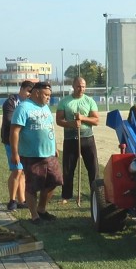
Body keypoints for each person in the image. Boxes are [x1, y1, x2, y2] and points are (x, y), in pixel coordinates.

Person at [9, 81, 63, 224]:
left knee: (54, 181)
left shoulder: (45, 107)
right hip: (31, 155)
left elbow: (50, 128)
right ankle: (34, 216)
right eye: (46, 95)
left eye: (50, 95)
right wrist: (14, 153)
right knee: (32, 186)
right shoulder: (23, 108)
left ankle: (42, 209)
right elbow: (14, 131)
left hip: (49, 153)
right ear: (37, 92)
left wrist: (55, 146)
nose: (48, 98)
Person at [55, 76, 100, 204]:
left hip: (87, 138)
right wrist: (71, 124)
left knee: (93, 168)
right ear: (73, 86)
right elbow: (59, 120)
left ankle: (95, 195)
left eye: (84, 86)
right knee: (68, 169)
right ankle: (66, 196)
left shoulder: (89, 101)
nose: (81, 89)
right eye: (79, 86)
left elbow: (96, 120)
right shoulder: (65, 101)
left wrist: (83, 118)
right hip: (70, 139)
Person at [1, 80, 34, 211]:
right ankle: (12, 201)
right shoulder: (11, 102)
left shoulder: (30, 103)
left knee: (23, 172)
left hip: (24, 141)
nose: (29, 95)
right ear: (22, 89)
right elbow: (10, 121)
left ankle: (22, 200)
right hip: (10, 140)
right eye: (28, 92)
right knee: (17, 170)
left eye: (31, 93)